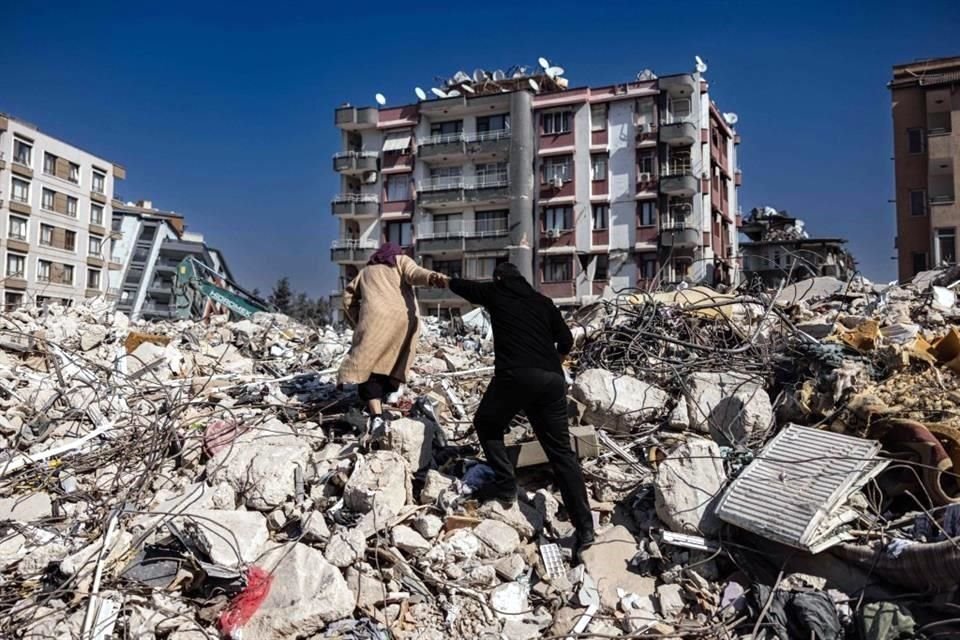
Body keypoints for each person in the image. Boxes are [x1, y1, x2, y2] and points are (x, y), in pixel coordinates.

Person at [443, 263, 595, 560]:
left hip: (514, 376)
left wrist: (443, 278)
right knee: (561, 453)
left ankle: (506, 484)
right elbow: (566, 341)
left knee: (487, 423)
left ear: (499, 279)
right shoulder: (543, 302)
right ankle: (586, 528)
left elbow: (466, 288)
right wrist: (552, 363)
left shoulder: (497, 293)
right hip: (551, 381)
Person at [339, 243, 445, 432]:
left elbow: (347, 298)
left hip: (373, 322)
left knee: (367, 367)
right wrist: (432, 277)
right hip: (401, 321)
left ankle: (376, 416)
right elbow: (415, 273)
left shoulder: (366, 271)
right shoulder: (400, 261)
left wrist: (358, 321)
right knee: (393, 359)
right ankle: (389, 396)